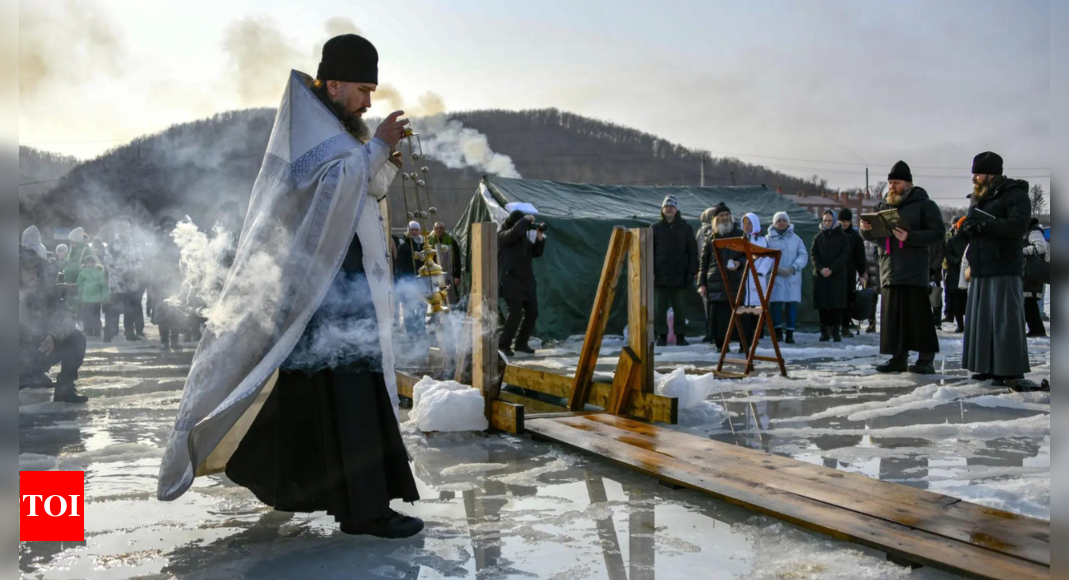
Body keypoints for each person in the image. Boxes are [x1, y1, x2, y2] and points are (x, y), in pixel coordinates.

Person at [160, 34, 423, 538]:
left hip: (341, 284)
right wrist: (377, 148)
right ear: (335, 82)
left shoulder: (338, 130)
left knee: (319, 393)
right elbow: (328, 191)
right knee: (348, 394)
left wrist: (382, 160)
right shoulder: (311, 131)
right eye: (363, 89)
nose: (369, 101)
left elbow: (358, 187)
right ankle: (365, 511)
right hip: (324, 289)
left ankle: (270, 473)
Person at [960, 153, 1038, 390]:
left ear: (992, 174)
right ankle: (988, 367)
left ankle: (1011, 370)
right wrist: (968, 228)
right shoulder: (979, 199)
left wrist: (984, 224)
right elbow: (977, 230)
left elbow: (1018, 226)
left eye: (978, 173)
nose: (974, 177)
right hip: (982, 267)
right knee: (982, 321)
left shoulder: (1016, 195)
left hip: (1004, 266)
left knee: (1006, 320)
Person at [860, 161, 945, 375]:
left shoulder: (925, 205)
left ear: (908, 183)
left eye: (896, 182)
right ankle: (898, 358)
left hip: (914, 269)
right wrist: (865, 230)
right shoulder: (882, 206)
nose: (892, 186)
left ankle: (926, 359)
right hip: (889, 268)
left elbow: (937, 233)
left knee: (919, 316)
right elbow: (874, 236)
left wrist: (911, 237)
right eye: (890, 182)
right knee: (893, 318)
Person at [19, 245, 89, 403]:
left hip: (37, 349)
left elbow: (67, 316)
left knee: (77, 339)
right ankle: (26, 376)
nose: (32, 273)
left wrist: (53, 336)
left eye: (34, 268)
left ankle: (65, 388)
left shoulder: (45, 291)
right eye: (27, 269)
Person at [498, 210, 546, 356]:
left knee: (532, 312)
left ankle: (521, 343)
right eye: (522, 223)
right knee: (515, 314)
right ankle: (503, 345)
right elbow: (512, 233)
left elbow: (536, 253)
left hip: (527, 281)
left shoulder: (522, 238)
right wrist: (525, 221)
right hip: (511, 281)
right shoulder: (502, 235)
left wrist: (540, 237)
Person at [653, 195, 699, 347]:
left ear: (676, 209)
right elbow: (649, 253)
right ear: (662, 209)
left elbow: (692, 252)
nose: (669, 209)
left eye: (671, 206)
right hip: (660, 275)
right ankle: (662, 335)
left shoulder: (685, 228)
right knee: (659, 308)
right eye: (666, 206)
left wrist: (692, 271)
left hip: (679, 274)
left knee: (679, 307)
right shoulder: (655, 228)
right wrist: (651, 272)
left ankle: (680, 336)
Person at [698, 202, 745, 350]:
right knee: (718, 316)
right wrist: (702, 284)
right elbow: (703, 261)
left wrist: (740, 263)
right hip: (715, 282)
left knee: (737, 314)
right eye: (721, 215)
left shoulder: (740, 234)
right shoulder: (711, 236)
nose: (724, 218)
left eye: (727, 215)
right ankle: (721, 345)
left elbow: (748, 256)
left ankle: (742, 343)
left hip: (735, 281)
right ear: (716, 218)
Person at [765, 212, 809, 344]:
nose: (781, 223)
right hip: (776, 276)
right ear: (774, 223)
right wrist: (775, 268)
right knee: (776, 306)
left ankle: (790, 334)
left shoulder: (796, 239)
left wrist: (793, 267)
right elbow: (764, 256)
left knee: (791, 306)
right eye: (779, 221)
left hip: (792, 277)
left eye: (784, 220)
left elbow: (803, 255)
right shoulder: (768, 239)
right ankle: (778, 333)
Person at [812, 210, 851, 342]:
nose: (827, 223)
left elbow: (844, 255)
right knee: (823, 304)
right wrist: (821, 268)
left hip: (837, 276)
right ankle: (824, 332)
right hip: (821, 276)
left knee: (836, 305)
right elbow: (814, 255)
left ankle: (835, 331)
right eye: (825, 220)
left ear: (834, 221)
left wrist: (832, 269)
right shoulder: (818, 237)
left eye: (829, 220)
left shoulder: (842, 237)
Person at [103, 218, 144, 343]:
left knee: (130, 310)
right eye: (123, 228)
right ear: (118, 229)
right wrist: (122, 273)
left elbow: (140, 260)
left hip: (131, 283)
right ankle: (108, 334)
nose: (126, 230)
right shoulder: (112, 245)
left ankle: (129, 333)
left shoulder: (135, 246)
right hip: (117, 283)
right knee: (112, 310)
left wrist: (134, 272)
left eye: (128, 228)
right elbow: (108, 263)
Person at [149, 216, 185, 351]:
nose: (168, 231)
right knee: (163, 314)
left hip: (176, 282)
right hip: (161, 283)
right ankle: (164, 341)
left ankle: (174, 341)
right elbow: (153, 263)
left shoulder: (179, 243)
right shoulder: (157, 244)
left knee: (175, 313)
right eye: (166, 227)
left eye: (171, 227)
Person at [739, 213, 773, 345]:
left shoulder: (762, 241)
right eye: (745, 223)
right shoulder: (741, 239)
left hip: (757, 279)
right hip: (744, 279)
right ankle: (745, 338)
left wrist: (761, 272)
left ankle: (757, 335)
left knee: (757, 308)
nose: (747, 226)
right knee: (744, 310)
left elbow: (769, 257)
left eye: (750, 223)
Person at [837, 209, 868, 338]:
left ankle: (845, 326)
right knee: (835, 301)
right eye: (842, 221)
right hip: (835, 273)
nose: (844, 224)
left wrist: (862, 273)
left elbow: (860, 256)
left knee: (848, 301)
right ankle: (833, 327)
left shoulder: (855, 237)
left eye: (847, 221)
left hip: (849, 273)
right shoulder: (834, 234)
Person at [395, 221, 427, 336]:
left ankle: (421, 328)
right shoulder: (404, 246)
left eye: (416, 230)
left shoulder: (424, 245)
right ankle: (410, 330)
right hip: (408, 279)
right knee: (409, 306)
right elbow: (399, 264)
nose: (414, 232)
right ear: (409, 231)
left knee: (422, 305)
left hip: (422, 280)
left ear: (419, 231)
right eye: (412, 230)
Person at [1022, 217, 1049, 338]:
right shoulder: (1026, 232)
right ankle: (1035, 329)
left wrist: (1023, 251)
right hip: (1027, 273)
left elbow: (1041, 247)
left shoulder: (1033, 231)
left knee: (1029, 302)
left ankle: (1037, 329)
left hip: (1031, 273)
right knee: (1028, 303)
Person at [943, 217, 969, 333]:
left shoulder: (972, 240)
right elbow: (948, 255)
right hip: (955, 273)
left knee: (968, 301)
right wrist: (958, 261)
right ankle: (960, 324)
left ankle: (968, 324)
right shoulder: (953, 240)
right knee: (957, 301)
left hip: (969, 272)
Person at [75, 253, 108, 338]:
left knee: (96, 315)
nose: (90, 264)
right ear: (85, 264)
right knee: (86, 316)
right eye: (88, 262)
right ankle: (88, 330)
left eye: (91, 262)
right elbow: (79, 286)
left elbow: (103, 286)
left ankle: (97, 330)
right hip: (85, 299)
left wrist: (105, 295)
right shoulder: (82, 274)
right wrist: (78, 297)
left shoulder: (99, 273)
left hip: (96, 299)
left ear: (94, 263)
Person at [427, 221, 463, 293]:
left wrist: (457, 276)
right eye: (436, 228)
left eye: (441, 228)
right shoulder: (428, 242)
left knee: (450, 294)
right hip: (434, 274)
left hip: (449, 273)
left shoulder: (451, 241)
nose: (439, 230)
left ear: (444, 229)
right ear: (434, 229)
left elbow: (457, 259)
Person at [928, 232, 946, 328]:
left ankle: (936, 319)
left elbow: (941, 253)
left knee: (936, 296)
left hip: (934, 272)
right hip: (921, 271)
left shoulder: (937, 235)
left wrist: (933, 267)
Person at [863, 239, 881, 333]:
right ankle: (871, 322)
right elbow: (863, 259)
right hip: (871, 275)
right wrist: (864, 272)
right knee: (871, 301)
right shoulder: (866, 242)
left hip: (883, 274)